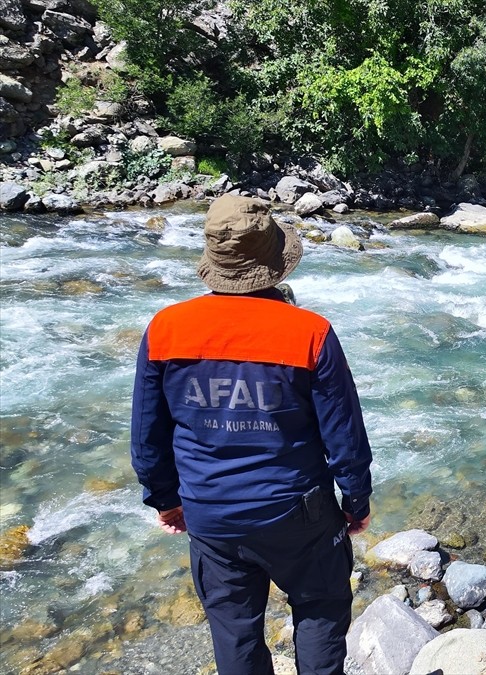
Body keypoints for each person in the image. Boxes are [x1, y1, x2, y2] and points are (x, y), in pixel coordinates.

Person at [131, 194, 373, 675]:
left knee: (235, 630)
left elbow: (147, 434)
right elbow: (344, 434)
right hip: (298, 512)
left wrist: (165, 499)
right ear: (274, 264)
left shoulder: (165, 328)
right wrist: (356, 500)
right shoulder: (311, 333)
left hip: (211, 512)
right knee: (321, 611)